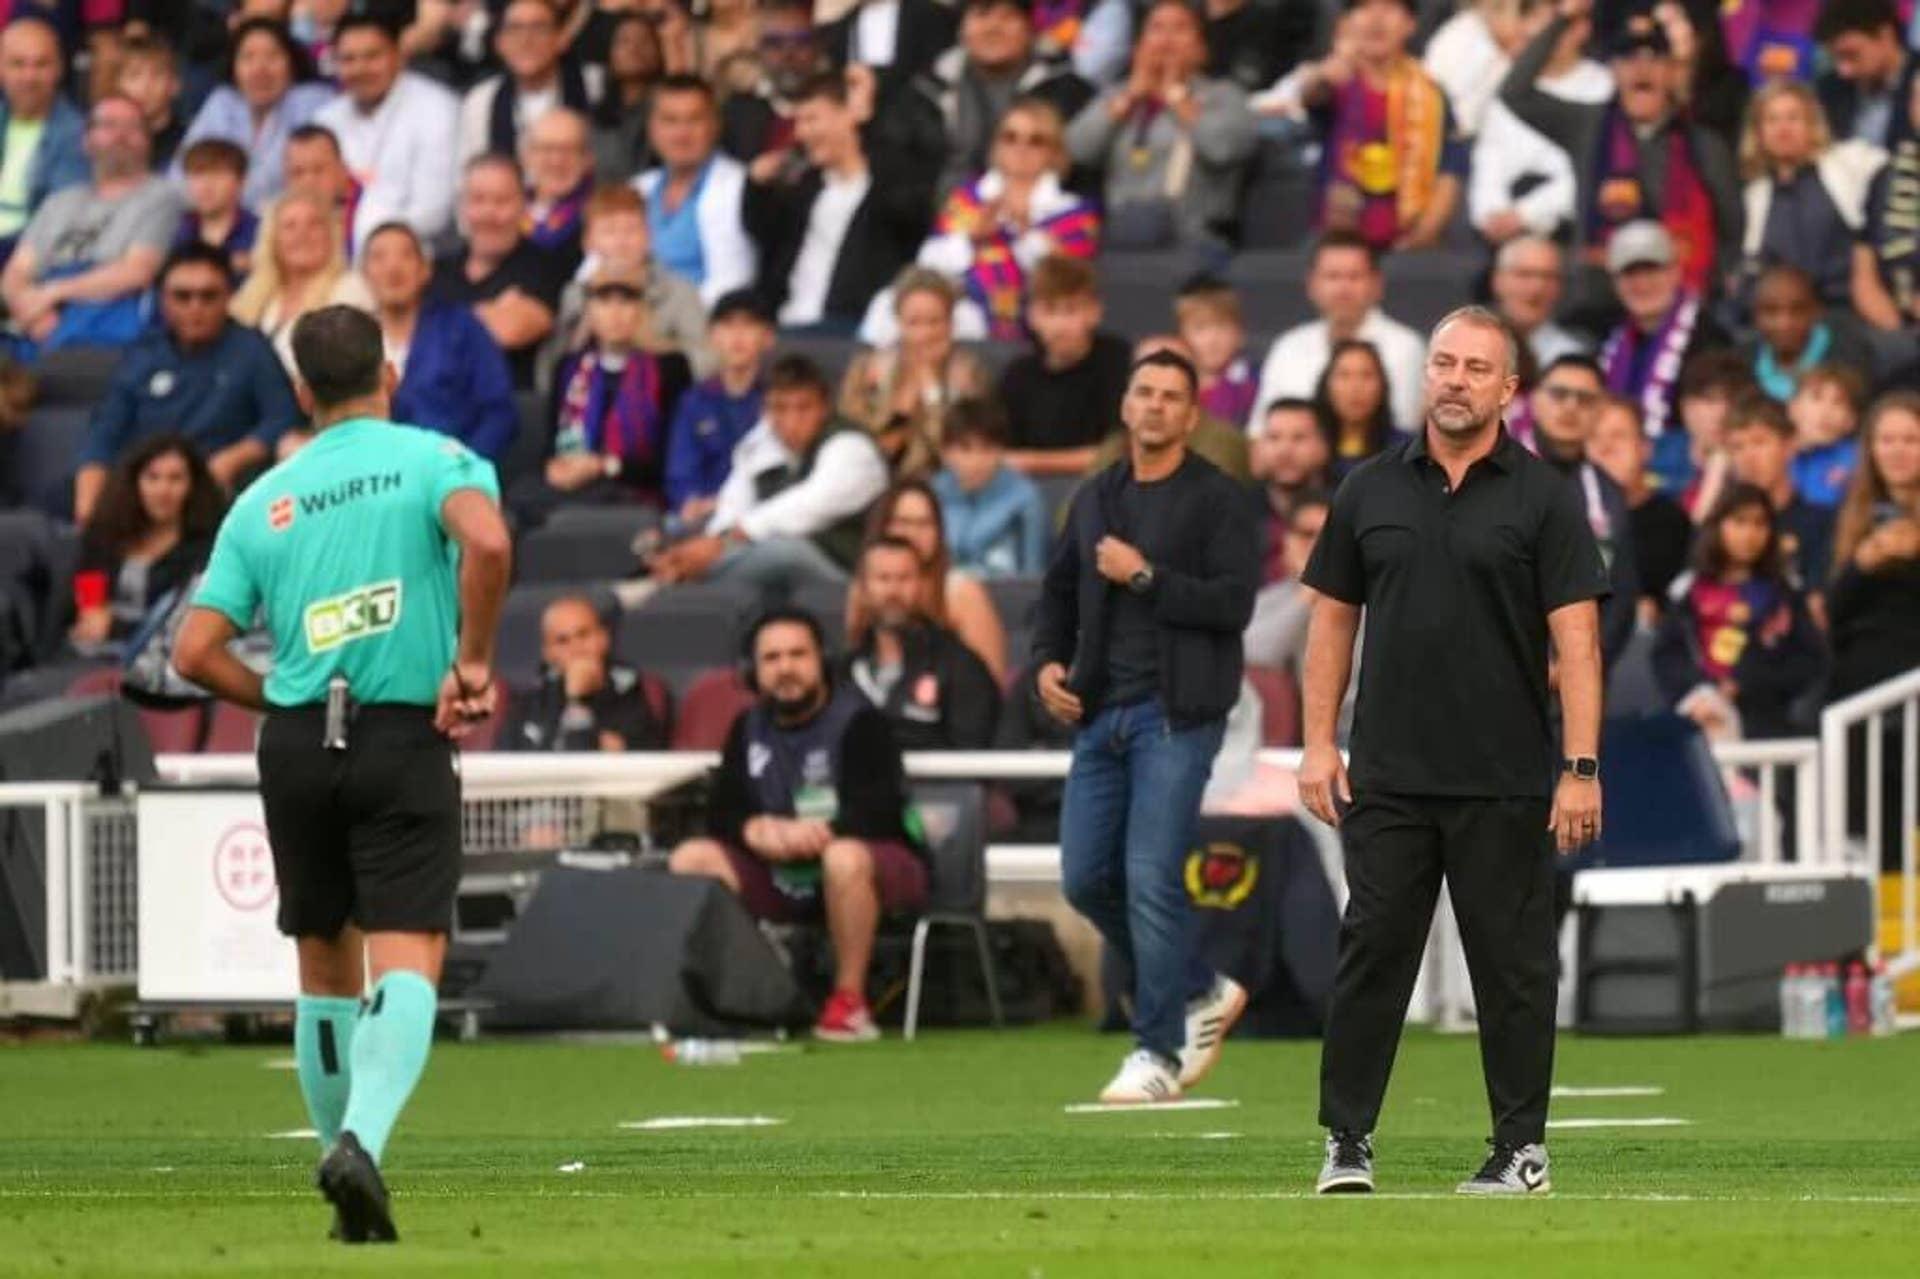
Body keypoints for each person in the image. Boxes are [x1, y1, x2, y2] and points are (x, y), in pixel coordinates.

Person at [172, 304, 512, 1245]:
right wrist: (473, 661)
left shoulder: (263, 499)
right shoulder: (433, 460)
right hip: (401, 733)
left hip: (294, 750)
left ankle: (345, 1177)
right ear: (388, 374)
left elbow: (193, 648)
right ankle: (360, 1139)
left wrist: (279, 696)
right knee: (407, 952)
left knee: (322, 961)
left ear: (300, 392)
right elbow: (486, 542)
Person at [1298, 305, 1608, 1197]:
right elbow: (1331, 621)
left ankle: (1522, 1150)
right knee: (1371, 956)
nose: (1456, 379)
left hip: (1506, 777)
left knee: (1513, 972)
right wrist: (1319, 743)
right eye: (1443, 362)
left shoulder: (1545, 496)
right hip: (1388, 775)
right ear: (1425, 373)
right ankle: (1347, 1140)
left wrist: (1580, 766)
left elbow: (1577, 643)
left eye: (1477, 367)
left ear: (1509, 388)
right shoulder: (1367, 488)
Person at [1034, 346, 1259, 1103]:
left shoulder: (1219, 498)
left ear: (1192, 417)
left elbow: (1235, 603)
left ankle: (1156, 1051)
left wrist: (1145, 577)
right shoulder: (1095, 496)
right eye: (1145, 392)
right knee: (1083, 876)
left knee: (1149, 875)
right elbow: (1058, 592)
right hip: (1100, 711)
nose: (1156, 405)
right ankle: (1197, 985)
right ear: (1126, 407)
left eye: (1171, 396)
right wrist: (1044, 662)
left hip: (1178, 712)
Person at [667, 607, 929, 1043]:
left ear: (821, 659)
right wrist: (754, 829)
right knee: (692, 858)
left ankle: (849, 1002)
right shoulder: (746, 727)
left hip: (874, 868)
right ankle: (743, 998)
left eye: (797, 655)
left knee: (843, 858)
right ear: (753, 669)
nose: (785, 668)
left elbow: (881, 809)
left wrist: (821, 833)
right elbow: (721, 811)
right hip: (780, 872)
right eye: (771, 658)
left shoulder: (861, 721)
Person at [1500, 0, 1741, 317]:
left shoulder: (1703, 143)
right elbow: (1515, 93)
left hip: (1683, 302)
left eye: (1654, 58)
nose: (1641, 68)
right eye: (1628, 58)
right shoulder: (1587, 126)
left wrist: (1718, 282)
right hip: (1599, 301)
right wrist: (1563, 18)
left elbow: (1732, 226)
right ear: (1612, 71)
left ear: (1671, 72)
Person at [76, 243, 300, 522]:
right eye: (183, 296)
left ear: (228, 296)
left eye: (209, 296)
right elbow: (106, 429)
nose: (196, 306)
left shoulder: (252, 349)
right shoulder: (143, 352)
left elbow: (283, 418)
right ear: (163, 300)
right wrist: (88, 501)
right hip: (143, 485)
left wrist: (231, 460)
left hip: (217, 486)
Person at [651, 354, 889, 594]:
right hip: (760, 558)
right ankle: (677, 575)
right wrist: (707, 545)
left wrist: (723, 545)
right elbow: (732, 505)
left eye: (804, 408)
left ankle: (685, 586)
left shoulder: (853, 447)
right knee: (672, 528)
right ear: (765, 409)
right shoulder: (760, 442)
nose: (791, 421)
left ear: (825, 408)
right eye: (779, 408)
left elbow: (807, 508)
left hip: (849, 571)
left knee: (784, 552)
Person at [1065, 0, 1255, 254]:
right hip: (1122, 232)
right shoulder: (1117, 96)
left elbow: (1223, 149)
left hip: (1197, 236)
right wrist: (1129, 96)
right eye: (1156, 28)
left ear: (1201, 48)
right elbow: (1074, 151)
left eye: (1180, 28)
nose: (1166, 39)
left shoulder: (1224, 96)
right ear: (1139, 45)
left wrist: (1175, 95)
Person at [744, 69, 926, 333]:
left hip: (854, 329)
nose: (801, 132)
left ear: (848, 115)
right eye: (798, 122)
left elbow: (906, 215)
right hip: (789, 323)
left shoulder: (891, 182)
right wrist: (756, 187)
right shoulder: (803, 188)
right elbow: (763, 234)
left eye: (812, 119)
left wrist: (869, 126)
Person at [1, 94, 181, 358]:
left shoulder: (162, 196)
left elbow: (137, 272)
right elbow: (16, 272)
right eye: (109, 125)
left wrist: (53, 294)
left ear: (148, 141)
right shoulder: (58, 202)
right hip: (38, 314)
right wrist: (31, 313)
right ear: (86, 141)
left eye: (132, 127)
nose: (121, 135)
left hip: (109, 314)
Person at [515, 261, 693, 521]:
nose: (615, 313)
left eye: (626, 302)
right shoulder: (568, 367)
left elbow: (670, 457)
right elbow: (551, 446)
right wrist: (555, 467)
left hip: (634, 490)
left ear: (642, 309)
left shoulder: (670, 367)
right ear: (589, 310)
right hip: (573, 484)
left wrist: (603, 466)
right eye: (604, 301)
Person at [915, 95, 1100, 342]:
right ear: (996, 146)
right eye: (1010, 137)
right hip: (955, 312)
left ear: (1055, 153)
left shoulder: (1074, 213)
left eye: (1036, 141)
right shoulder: (967, 199)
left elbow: (1067, 284)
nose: (1020, 148)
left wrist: (1025, 231)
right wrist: (972, 239)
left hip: (1034, 329)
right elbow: (927, 266)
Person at [1825, 390, 1920, 869]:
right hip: (1859, 699)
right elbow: (1829, 616)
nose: (1898, 450)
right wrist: (1862, 564)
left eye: (1910, 438)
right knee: (1871, 835)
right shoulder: (1851, 518)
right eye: (1886, 439)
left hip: (1914, 694)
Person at [1653, 483, 1826, 743]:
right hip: (1698, 718)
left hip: (1765, 728)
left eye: (1759, 524)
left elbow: (1809, 661)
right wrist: (1699, 691)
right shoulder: (1688, 589)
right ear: (1718, 526)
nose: (1749, 534)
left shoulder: (1785, 592)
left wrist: (1746, 684)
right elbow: (1667, 656)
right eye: (1739, 522)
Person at [1288, 0, 1464, 252]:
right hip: (1338, 235)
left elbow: (1450, 170)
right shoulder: (1333, 83)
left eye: (1390, 9)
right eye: (1364, 8)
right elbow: (1310, 98)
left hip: (1410, 236)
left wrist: (1425, 232)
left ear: (1410, 25)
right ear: (1347, 23)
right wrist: (1325, 74)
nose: (1376, 19)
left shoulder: (1431, 94)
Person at [356, 221, 518, 461]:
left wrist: (465, 466)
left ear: (425, 270)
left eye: (406, 255)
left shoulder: (461, 328)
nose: (393, 267)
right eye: (379, 257)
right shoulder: (353, 339)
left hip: (452, 474)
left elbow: (499, 411)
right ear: (364, 274)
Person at [1595, 220, 1734, 489]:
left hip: (1685, 476)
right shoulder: (1607, 340)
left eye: (1652, 270)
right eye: (1630, 273)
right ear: (1615, 282)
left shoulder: (1711, 338)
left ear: (1675, 271)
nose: (1642, 283)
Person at [1247, 230, 1425, 435]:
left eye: (1354, 276)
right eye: (1332, 276)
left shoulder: (1406, 348)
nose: (1343, 288)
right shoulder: (1288, 347)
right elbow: (1259, 432)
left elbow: (1403, 430)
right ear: (1312, 285)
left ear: (1377, 284)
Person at [313, 15, 460, 256]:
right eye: (349, 59)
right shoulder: (325, 120)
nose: (360, 69)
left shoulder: (437, 108)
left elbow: (433, 213)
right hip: (335, 257)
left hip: (415, 257)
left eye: (372, 56)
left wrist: (363, 240)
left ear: (398, 55)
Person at [1528, 353, 1640, 667]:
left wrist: (1579, 667)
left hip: (1580, 682)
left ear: (1600, 410)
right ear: (1535, 400)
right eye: (1559, 394)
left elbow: (1621, 600)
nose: (1570, 407)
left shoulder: (1610, 497)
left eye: (1585, 399)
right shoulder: (1491, 479)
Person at [916, 0, 1093, 199]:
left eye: (1008, 17)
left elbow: (1080, 174)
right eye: (981, 15)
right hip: (939, 221)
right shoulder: (925, 89)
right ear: (962, 28)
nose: (993, 28)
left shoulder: (1068, 91)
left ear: (1030, 29)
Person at [1468, 6, 1610, 249]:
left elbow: (1594, 170)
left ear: (1583, 28)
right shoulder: (1505, 87)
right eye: (1536, 20)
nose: (1545, 33)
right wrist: (1490, 214)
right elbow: (1488, 161)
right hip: (1502, 234)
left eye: (1557, 23)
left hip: (1570, 228)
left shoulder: (1606, 87)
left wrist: (1524, 215)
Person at [1737, 79, 1883, 312]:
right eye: (1772, 120)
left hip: (1847, 310)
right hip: (1784, 319)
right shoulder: (1755, 196)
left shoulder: (1851, 163)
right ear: (1759, 132)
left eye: (1793, 118)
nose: (1783, 128)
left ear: (1812, 124)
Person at [843, 535, 1002, 749]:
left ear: (923, 586)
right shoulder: (843, 671)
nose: (893, 590)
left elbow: (973, 756)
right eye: (883, 578)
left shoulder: (960, 666)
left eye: (904, 578)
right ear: (862, 588)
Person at [69, 433, 223, 653]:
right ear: (135, 482)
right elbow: (89, 573)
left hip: (160, 656)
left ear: (192, 486)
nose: (163, 490)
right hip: (91, 647)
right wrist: (90, 608)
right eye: (152, 477)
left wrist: (114, 627)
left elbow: (180, 622)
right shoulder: (106, 531)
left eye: (175, 479)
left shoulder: (205, 547)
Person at [547, 183, 709, 389]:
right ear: (588, 242)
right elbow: (548, 369)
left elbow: (709, 361)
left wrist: (655, 348)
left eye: (632, 229)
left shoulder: (679, 292)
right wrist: (582, 333)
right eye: (609, 231)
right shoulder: (575, 294)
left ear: (649, 237)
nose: (621, 242)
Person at [432, 155, 570, 389]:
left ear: (523, 204)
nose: (489, 213)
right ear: (463, 207)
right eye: (478, 199)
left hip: (510, 410)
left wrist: (439, 321)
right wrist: (490, 313)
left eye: (501, 200)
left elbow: (511, 331)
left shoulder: (545, 265)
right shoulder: (438, 269)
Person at [839, 267, 991, 479]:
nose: (924, 335)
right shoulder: (868, 369)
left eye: (934, 322)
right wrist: (903, 405)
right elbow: (859, 450)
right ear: (899, 322)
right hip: (870, 480)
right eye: (914, 323)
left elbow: (957, 456)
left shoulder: (969, 376)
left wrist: (932, 391)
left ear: (951, 323)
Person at [854, 478, 1011, 681]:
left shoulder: (962, 592)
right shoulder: (862, 589)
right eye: (903, 522)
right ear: (883, 526)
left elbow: (991, 680)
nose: (913, 533)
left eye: (924, 523)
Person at [176, 17, 336, 213]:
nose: (260, 69)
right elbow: (180, 175)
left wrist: (218, 195)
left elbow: (276, 181)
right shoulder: (223, 102)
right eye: (248, 57)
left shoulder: (312, 100)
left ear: (292, 64)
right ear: (234, 67)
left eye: (273, 56)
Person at [996, 253, 1134, 476]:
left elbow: (1119, 452)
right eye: (1049, 310)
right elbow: (1000, 453)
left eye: (1071, 309)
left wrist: (1033, 462)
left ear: (1095, 312)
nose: (1060, 325)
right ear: (1032, 316)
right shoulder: (1017, 374)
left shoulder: (1119, 362)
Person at [634, 75, 758, 306]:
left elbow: (732, 283)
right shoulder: (638, 189)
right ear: (652, 129)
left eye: (694, 120)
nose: (682, 134)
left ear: (715, 125)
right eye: (670, 121)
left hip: (703, 328)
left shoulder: (738, 186)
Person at [232, 190, 375, 381]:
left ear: (331, 234)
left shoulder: (351, 288)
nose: (302, 234)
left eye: (314, 224)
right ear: (272, 239)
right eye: (290, 226)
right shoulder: (252, 294)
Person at [663, 288, 773, 531]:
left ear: (767, 337)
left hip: (757, 516)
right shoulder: (694, 400)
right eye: (727, 326)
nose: (737, 337)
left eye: (748, 325)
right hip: (700, 517)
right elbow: (680, 471)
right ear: (712, 336)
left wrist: (724, 504)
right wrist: (690, 500)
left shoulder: (780, 399)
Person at [501, 595, 669, 751]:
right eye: (562, 641)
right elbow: (503, 762)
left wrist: (577, 700)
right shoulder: (533, 701)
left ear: (603, 639)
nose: (576, 649)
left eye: (583, 635)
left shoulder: (631, 693)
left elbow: (582, 757)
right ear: (548, 653)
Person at [1586, 392, 1693, 619]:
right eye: (1594, 437)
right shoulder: (1561, 515)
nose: (1605, 448)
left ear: (1645, 449)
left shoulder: (1673, 522)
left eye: (1618, 436)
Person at [456, 0, 598, 167]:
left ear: (561, 38)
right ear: (499, 43)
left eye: (538, 28)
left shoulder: (594, 90)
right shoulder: (481, 101)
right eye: (515, 29)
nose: (526, 40)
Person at [1725, 393, 1836, 601]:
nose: (1747, 457)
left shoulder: (1822, 524)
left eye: (1759, 442)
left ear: (1789, 446)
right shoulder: (1720, 525)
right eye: (1737, 447)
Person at [930, 396, 1050, 578]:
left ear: (1001, 451)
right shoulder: (931, 494)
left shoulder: (1026, 498)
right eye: (965, 448)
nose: (977, 461)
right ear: (945, 452)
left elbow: (1033, 579)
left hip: (1006, 599)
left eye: (987, 448)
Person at [0, 16, 88, 262]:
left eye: (41, 64)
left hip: (27, 252)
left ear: (59, 69)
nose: (29, 76)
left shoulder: (77, 133)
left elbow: (58, 221)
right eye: (18, 64)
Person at [1251, 396, 1335, 583]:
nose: (1284, 450)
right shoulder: (1235, 509)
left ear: (1324, 447)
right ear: (1260, 447)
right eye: (1274, 438)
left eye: (1299, 438)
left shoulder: (1346, 508)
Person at [1815, 0, 1911, 150]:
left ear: (1885, 36)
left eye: (1852, 55)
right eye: (1835, 58)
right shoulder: (1830, 89)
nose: (1844, 71)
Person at [1490, 235, 1588, 370]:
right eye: (1524, 274)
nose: (1537, 287)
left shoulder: (1573, 358)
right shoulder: (1463, 343)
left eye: (1549, 277)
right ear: (1497, 281)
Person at [590, 11, 664, 185]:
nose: (634, 48)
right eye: (624, 41)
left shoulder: (666, 110)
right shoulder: (594, 118)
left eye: (644, 40)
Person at [521, 108, 596, 273]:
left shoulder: (599, 217)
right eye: (546, 149)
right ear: (526, 156)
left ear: (588, 159)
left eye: (569, 149)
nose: (557, 161)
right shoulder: (509, 210)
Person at [1176, 275, 1256, 428]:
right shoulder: (1176, 386)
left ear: (1240, 333)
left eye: (1222, 327)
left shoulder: (1254, 383)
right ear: (1182, 335)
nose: (1212, 340)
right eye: (1200, 328)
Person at [175, 138, 259, 281]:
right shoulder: (175, 230)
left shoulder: (261, 232)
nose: (206, 186)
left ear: (242, 181)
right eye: (197, 175)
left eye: (218, 175)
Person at [1313, 339, 1401, 472]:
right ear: (1327, 385)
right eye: (1344, 375)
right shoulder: (1307, 447)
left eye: (1366, 375)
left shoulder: (1403, 451)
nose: (1355, 387)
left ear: (1382, 386)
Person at [1789, 363, 1868, 507]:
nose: (1826, 411)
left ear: (1851, 420)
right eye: (1816, 398)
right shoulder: (1773, 452)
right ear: (1793, 408)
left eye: (1838, 402)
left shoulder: (1859, 460)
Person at [115, 32, 184, 171]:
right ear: (118, 84)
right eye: (134, 75)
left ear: (175, 84)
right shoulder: (108, 140)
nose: (145, 86)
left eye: (157, 75)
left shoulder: (190, 141)